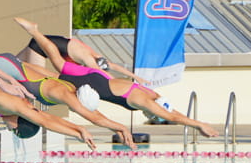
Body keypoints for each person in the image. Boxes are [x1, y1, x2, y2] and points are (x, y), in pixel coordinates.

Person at [15, 18, 219, 138]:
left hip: (99, 77)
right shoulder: (144, 101)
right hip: (94, 84)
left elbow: (170, 111)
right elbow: (171, 116)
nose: (150, 115)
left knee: (54, 66)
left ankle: (24, 50)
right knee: (51, 70)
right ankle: (29, 42)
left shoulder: (152, 94)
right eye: (153, 115)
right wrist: (198, 124)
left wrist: (194, 121)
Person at [0, 51, 136, 148]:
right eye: (79, 108)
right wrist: (120, 127)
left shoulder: (67, 86)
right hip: (9, 69)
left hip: (13, 65)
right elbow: (94, 118)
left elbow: (48, 117)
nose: (78, 110)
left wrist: (78, 129)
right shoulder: (63, 93)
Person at [17, 32, 148, 84]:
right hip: (39, 47)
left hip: (38, 43)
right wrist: (116, 82)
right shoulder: (87, 58)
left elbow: (114, 66)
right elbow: (100, 72)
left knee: (13, 63)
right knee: (36, 80)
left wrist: (136, 77)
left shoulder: (96, 55)